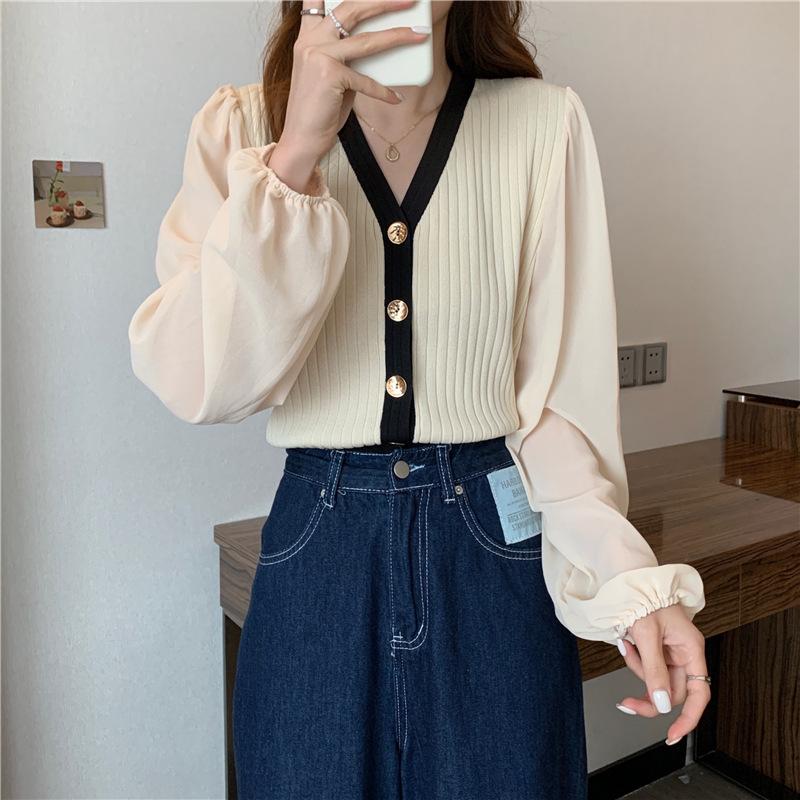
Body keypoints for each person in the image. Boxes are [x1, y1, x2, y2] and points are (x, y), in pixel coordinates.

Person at [127, 1, 711, 796]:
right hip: (319, 548)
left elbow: (553, 409)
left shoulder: (543, 125)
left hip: (492, 550)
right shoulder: (239, 126)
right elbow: (198, 380)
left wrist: (630, 583)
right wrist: (294, 155)